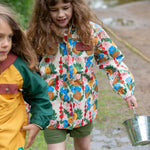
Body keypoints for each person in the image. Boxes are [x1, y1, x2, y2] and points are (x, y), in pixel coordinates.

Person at [27, 0, 138, 150]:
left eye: (65, 8)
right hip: (52, 108)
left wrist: (127, 91)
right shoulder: (38, 35)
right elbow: (29, 71)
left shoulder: (91, 31)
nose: (61, 14)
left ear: (75, 6)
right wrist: (28, 105)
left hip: (83, 106)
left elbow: (111, 60)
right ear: (45, 10)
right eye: (54, 10)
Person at [0, 3, 52, 150]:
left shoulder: (18, 67)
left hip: (11, 143)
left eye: (9, 37)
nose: (5, 44)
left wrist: (37, 123)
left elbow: (39, 94)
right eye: (0, 37)